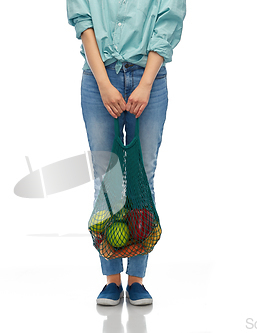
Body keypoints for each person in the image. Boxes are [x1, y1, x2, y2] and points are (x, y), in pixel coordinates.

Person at [67, 0, 186, 306]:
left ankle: (136, 279)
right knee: (106, 179)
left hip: (150, 80)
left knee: (142, 178)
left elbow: (168, 20)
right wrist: (104, 84)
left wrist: (146, 83)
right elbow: (84, 22)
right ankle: (110, 279)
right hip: (98, 81)